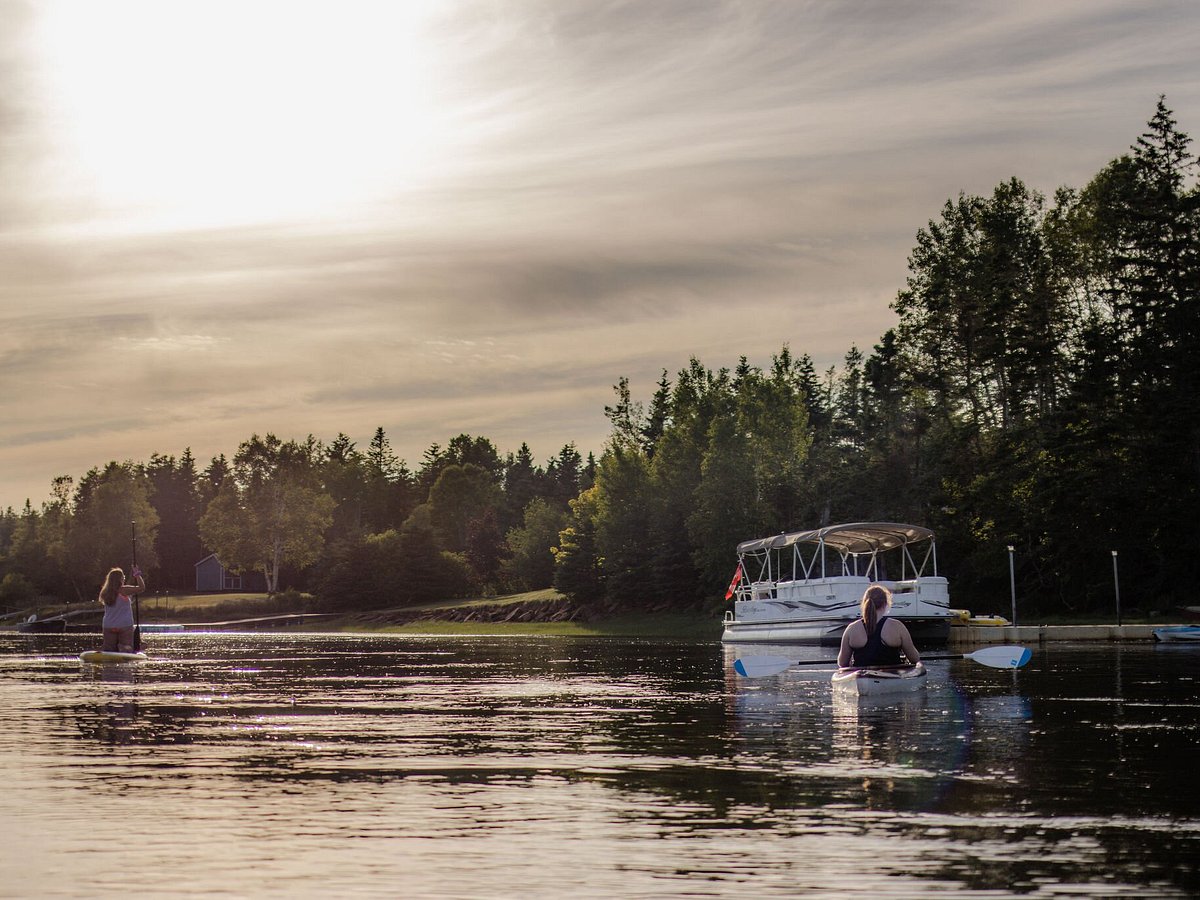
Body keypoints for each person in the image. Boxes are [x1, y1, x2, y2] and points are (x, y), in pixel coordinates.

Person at [837, 583, 920, 668]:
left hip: (861, 677)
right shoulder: (897, 626)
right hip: (892, 676)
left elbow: (842, 663)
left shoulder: (852, 629)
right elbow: (914, 658)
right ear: (885, 603)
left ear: (864, 603)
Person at [98, 565, 145, 653]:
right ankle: (123, 649)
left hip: (108, 625)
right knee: (126, 646)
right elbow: (141, 588)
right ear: (120, 579)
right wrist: (137, 574)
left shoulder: (104, 592)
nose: (124, 579)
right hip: (124, 625)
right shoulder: (124, 590)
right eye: (123, 577)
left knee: (109, 649)